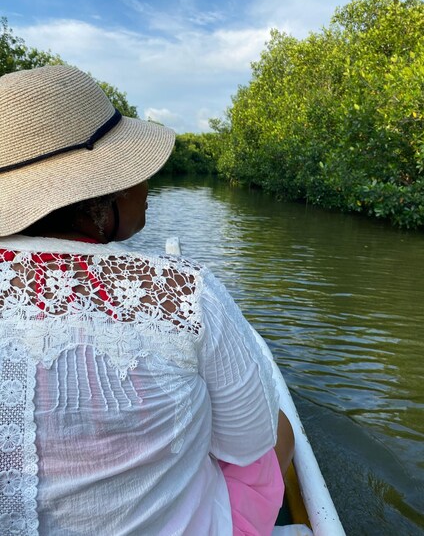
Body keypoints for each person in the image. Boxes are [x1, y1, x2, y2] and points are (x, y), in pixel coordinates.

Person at [0, 65, 294, 535]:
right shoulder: (179, 291)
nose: (147, 185)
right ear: (101, 194)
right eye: (134, 170)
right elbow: (250, 441)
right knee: (279, 428)